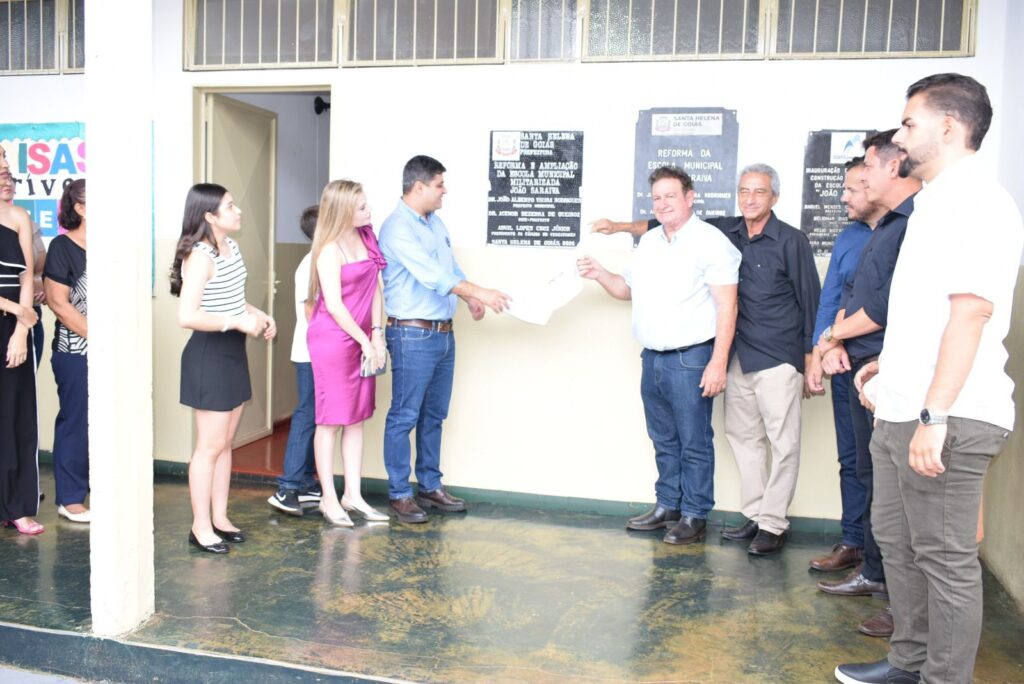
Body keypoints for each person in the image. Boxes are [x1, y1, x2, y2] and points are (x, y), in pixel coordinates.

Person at [836, 74, 1023, 684]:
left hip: (946, 416)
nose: (899, 135)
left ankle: (944, 678)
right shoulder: (932, 203)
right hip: (900, 408)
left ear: (948, 126)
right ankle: (908, 663)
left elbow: (971, 314)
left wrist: (935, 414)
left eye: (909, 123)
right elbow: (926, 312)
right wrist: (886, 368)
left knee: (944, 560)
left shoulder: (980, 202)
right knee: (897, 543)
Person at [592, 164, 821, 555]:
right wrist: (614, 234)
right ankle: (744, 515)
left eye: (759, 191)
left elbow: (804, 300)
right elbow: (655, 229)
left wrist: (811, 357)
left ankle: (761, 523)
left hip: (768, 354)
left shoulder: (778, 240)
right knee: (732, 439)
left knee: (772, 444)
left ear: (775, 197)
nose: (750, 198)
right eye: (744, 191)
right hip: (728, 355)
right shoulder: (722, 230)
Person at [578, 166, 740, 544]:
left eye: (670, 196)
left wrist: (718, 363)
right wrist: (600, 273)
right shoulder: (649, 242)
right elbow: (626, 290)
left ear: (690, 197)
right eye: (657, 198)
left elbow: (727, 307)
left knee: (693, 441)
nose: (663, 203)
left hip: (691, 359)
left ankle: (695, 513)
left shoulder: (711, 242)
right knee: (663, 439)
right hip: (652, 358)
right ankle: (668, 505)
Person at [816, 130, 920, 640]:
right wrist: (827, 343)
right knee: (864, 470)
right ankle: (874, 571)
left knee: (892, 489)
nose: (849, 191)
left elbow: (880, 309)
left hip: (887, 371)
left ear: (892, 168)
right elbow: (842, 296)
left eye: (864, 175)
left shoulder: (913, 224)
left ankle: (898, 601)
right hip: (858, 366)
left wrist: (833, 335)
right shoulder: (877, 230)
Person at [378, 155, 510, 524]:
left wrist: (468, 298)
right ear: (419, 186)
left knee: (434, 415)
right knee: (404, 416)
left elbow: (450, 269)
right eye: (439, 185)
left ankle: (430, 486)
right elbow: (433, 276)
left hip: (442, 334)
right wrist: (480, 292)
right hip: (412, 334)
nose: (444, 191)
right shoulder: (397, 228)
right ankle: (400, 494)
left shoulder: (434, 223)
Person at [170, 183, 276, 554]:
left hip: (232, 353)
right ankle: (200, 526)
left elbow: (232, 299)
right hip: (209, 356)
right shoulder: (199, 257)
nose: (238, 211)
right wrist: (237, 322)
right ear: (209, 216)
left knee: (225, 443)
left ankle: (220, 517)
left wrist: (259, 314)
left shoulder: (231, 246)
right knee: (209, 447)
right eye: (230, 206)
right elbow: (188, 316)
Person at [805, 158, 878, 573]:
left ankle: (881, 557)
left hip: (881, 365)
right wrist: (822, 350)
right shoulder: (848, 237)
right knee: (851, 458)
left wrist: (837, 339)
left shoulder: (906, 231)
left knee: (879, 464)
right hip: (842, 363)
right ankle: (853, 542)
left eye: (852, 189)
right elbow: (830, 298)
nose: (843, 197)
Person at [306, 180, 389, 526]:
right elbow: (335, 306)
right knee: (330, 420)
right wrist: (364, 341)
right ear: (342, 211)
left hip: (363, 337)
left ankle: (352, 494)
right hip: (334, 340)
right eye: (362, 207)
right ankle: (328, 498)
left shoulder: (367, 237)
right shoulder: (328, 250)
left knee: (356, 417)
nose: (369, 211)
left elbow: (375, 290)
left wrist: (378, 334)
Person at [267, 206, 323, 516]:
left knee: (317, 416)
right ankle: (287, 486)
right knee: (306, 414)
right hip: (310, 354)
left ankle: (305, 482)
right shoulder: (310, 264)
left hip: (321, 353)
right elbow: (311, 313)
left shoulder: (325, 259)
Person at [0, 145, 43, 536]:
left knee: (16, 417)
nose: (4, 167)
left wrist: (20, 330)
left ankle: (16, 506)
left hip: (13, 330)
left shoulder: (19, 217)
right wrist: (17, 310)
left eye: (5, 160)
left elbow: (27, 275)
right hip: (13, 312)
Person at [43, 179, 91, 523]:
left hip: (113, 351)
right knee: (76, 419)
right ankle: (71, 498)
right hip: (74, 352)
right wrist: (99, 340)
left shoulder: (113, 247)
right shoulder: (62, 247)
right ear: (80, 208)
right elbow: (59, 305)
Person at [0, 176, 45, 367]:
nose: (7, 182)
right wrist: (19, 310)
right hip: (20, 311)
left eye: (10, 177)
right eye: (2, 176)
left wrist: (22, 329)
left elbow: (32, 271)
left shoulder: (23, 220)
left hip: (25, 315)